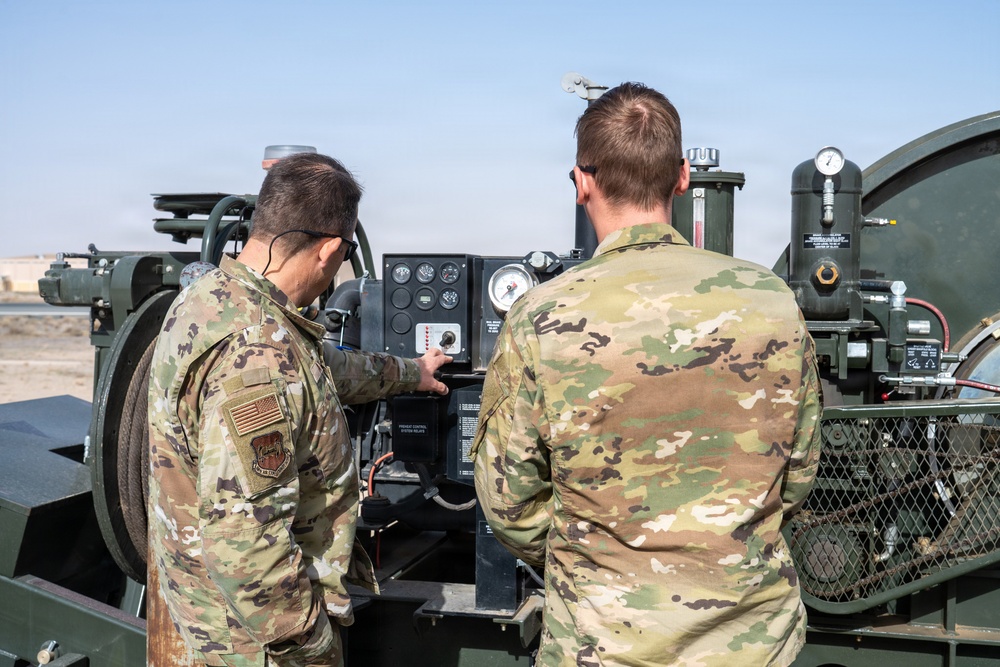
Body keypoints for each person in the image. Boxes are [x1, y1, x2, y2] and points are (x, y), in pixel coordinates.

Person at [471, 82, 822, 666]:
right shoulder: (770, 300)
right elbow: (798, 474)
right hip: (751, 643)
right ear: (683, 175)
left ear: (581, 182)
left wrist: (593, 561)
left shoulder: (543, 315)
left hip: (602, 643)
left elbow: (509, 502)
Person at [148, 152, 451, 667]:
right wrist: (309, 644)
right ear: (330, 249)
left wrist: (410, 373)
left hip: (214, 616)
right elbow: (245, 543)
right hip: (258, 643)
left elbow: (321, 365)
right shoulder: (259, 356)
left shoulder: (212, 299)